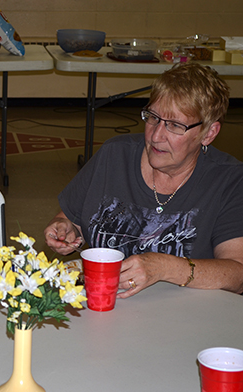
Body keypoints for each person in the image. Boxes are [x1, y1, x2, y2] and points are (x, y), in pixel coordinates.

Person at [44, 62, 243, 298]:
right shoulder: (114, 155)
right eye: (153, 118)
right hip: (104, 307)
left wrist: (164, 268)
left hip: (185, 319)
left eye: (174, 125)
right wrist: (67, 228)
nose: (156, 136)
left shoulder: (229, 180)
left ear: (208, 133)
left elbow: (237, 275)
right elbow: (71, 217)